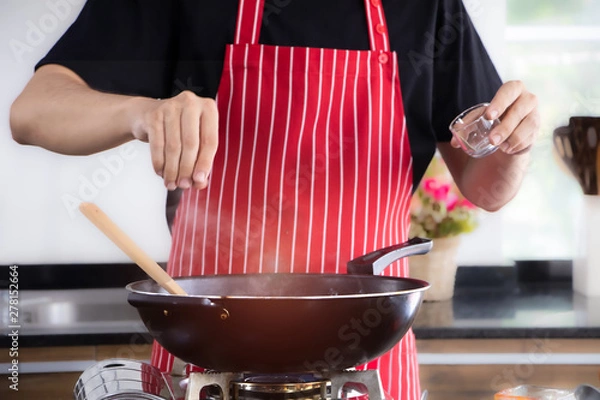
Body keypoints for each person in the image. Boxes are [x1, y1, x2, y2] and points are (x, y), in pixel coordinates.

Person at [9, 0, 539, 398]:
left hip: (368, 361)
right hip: (208, 356)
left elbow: (487, 186)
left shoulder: (425, 5)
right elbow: (33, 111)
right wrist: (140, 114)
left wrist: (516, 140)